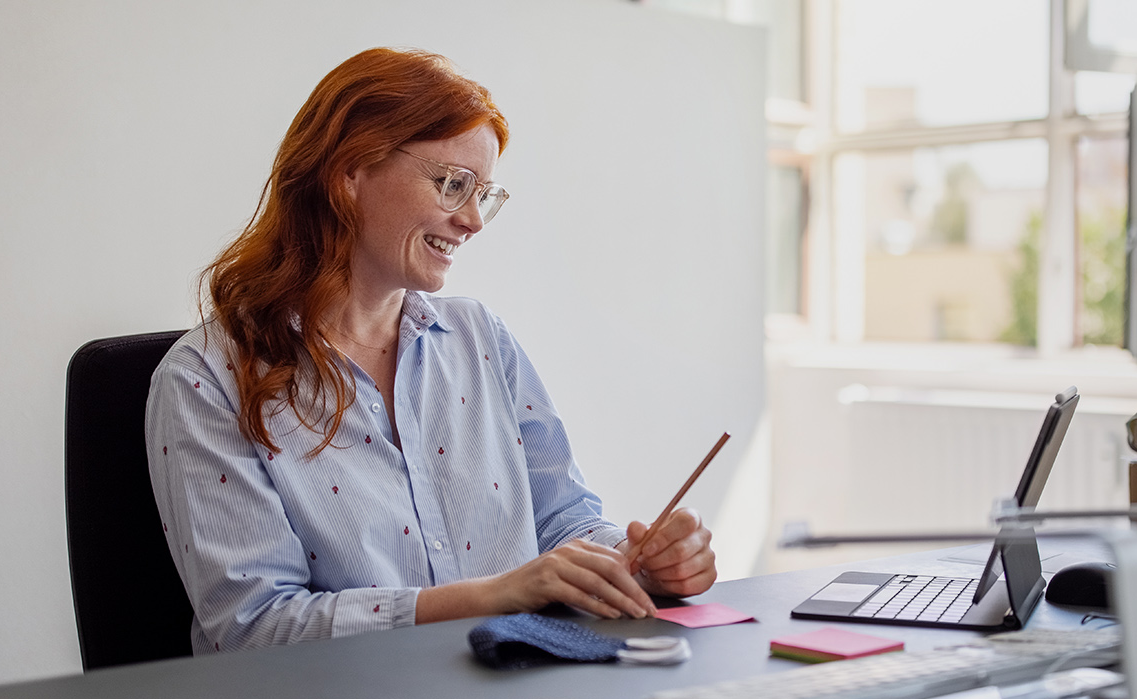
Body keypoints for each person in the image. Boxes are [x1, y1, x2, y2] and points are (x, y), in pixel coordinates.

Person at [146, 47, 716, 654]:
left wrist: (639, 561)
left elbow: (564, 524)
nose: (472, 220)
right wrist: (494, 596)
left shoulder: (481, 340)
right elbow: (256, 629)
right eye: (453, 184)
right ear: (349, 172)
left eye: (484, 194)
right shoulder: (206, 380)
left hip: (511, 695)